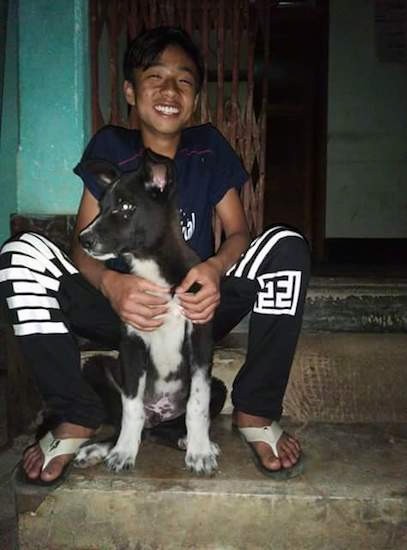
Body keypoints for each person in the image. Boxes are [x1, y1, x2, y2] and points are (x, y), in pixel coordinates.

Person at [0, 26, 310, 484]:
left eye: (183, 80)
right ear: (130, 90)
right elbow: (83, 243)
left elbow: (239, 231)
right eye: (155, 77)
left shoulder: (207, 149)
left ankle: (255, 410)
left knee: (286, 248)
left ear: (196, 97)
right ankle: (74, 413)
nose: (169, 90)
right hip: (123, 311)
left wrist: (215, 270)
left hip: (196, 309)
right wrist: (110, 284)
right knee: (20, 255)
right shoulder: (112, 147)